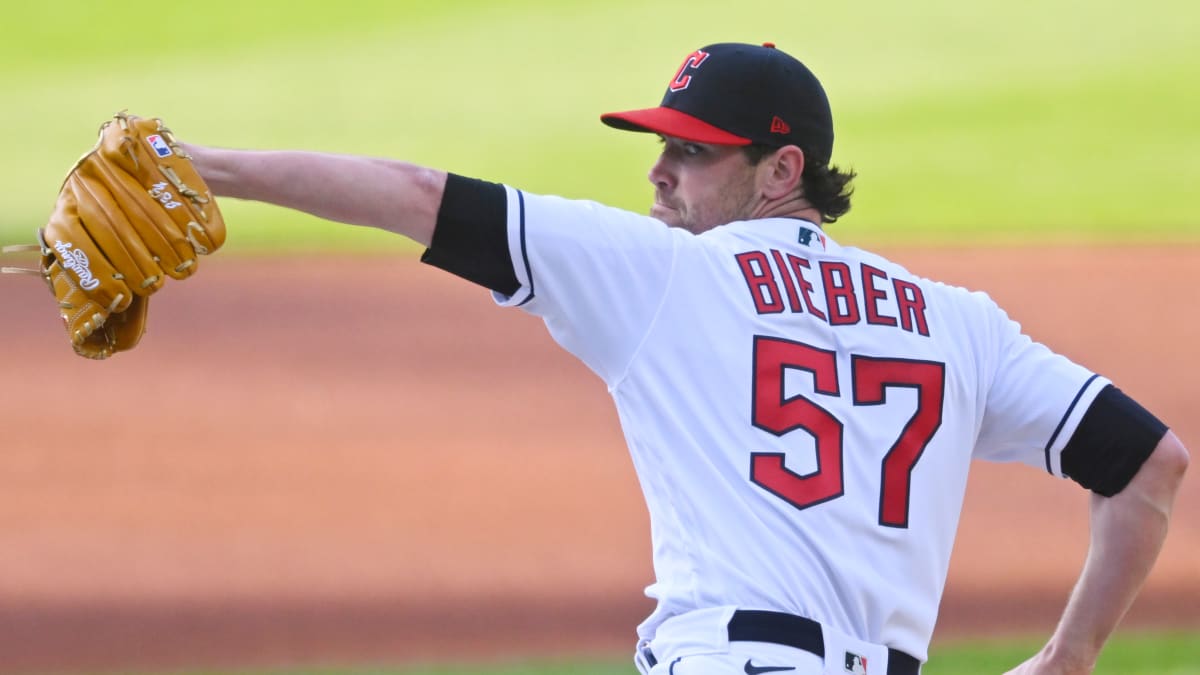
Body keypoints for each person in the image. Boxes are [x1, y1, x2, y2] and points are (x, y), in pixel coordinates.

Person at [181, 42, 1188, 674]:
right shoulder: (953, 321)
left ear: (781, 169)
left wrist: (202, 168)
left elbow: (412, 194)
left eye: (695, 152)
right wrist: (1069, 656)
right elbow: (1152, 464)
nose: (660, 174)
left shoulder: (670, 277)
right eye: (663, 145)